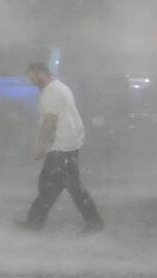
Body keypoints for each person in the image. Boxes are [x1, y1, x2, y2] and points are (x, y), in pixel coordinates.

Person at [16, 62, 104, 233]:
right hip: (68, 144)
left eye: (31, 76)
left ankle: (94, 224)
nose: (30, 80)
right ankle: (35, 221)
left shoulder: (50, 91)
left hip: (61, 146)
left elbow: (50, 119)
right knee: (52, 184)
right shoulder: (61, 87)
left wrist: (39, 145)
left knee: (69, 187)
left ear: (40, 73)